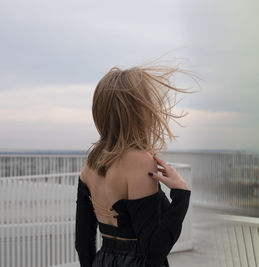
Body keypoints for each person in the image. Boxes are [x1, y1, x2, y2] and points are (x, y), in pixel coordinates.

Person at [75, 63, 195, 267]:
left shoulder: (91, 163)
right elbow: (154, 251)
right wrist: (181, 194)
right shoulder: (140, 161)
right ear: (138, 111)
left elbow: (83, 243)